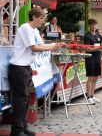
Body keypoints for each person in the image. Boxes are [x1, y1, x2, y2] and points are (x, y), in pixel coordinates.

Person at [8, 7, 65, 136]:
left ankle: (23, 126)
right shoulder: (25, 28)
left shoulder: (34, 30)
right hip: (18, 67)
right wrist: (52, 46)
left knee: (26, 98)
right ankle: (16, 130)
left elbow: (42, 44)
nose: (42, 21)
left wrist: (55, 45)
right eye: (41, 18)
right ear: (34, 17)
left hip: (25, 67)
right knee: (20, 99)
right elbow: (34, 48)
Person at [84, 19, 102, 105]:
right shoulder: (87, 36)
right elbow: (87, 49)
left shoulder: (99, 35)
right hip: (90, 58)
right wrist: (96, 48)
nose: (93, 26)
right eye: (92, 25)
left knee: (95, 77)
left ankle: (92, 95)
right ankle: (88, 97)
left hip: (97, 58)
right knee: (90, 78)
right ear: (90, 26)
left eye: (95, 25)